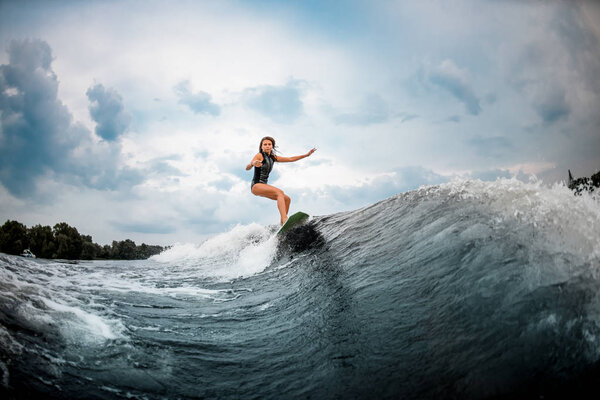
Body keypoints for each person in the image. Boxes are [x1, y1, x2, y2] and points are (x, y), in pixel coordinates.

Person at [246, 136, 316, 225]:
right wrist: (252, 163)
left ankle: (282, 224)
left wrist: (306, 155)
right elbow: (247, 167)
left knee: (287, 199)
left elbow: (290, 159)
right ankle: (284, 219)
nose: (267, 146)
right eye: (265, 144)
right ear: (261, 147)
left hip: (263, 186)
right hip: (256, 185)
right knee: (280, 192)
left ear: (272, 146)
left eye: (269, 144)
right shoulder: (259, 155)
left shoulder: (273, 158)